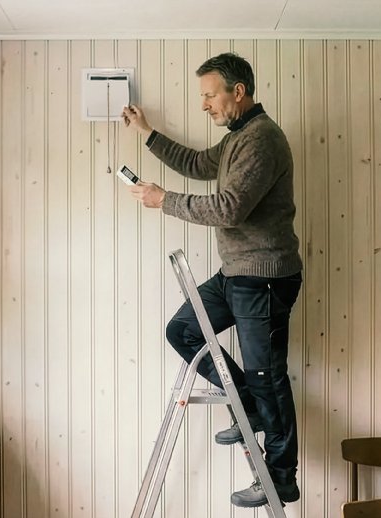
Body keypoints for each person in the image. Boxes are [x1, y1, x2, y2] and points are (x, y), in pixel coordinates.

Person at [121, 52, 303, 508]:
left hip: (263, 278)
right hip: (237, 274)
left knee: (269, 376)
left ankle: (281, 477)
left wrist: (164, 199)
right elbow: (201, 164)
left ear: (237, 91)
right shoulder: (239, 138)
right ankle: (251, 408)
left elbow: (228, 207)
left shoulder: (262, 139)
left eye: (209, 94)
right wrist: (148, 134)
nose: (204, 104)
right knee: (182, 331)